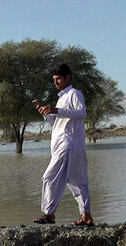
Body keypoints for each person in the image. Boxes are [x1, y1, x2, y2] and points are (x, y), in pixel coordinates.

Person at [32, 63, 94, 226]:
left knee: (50, 176)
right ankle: (86, 216)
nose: (56, 82)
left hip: (69, 143)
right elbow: (58, 122)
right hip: (63, 143)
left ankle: (49, 213)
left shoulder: (74, 93)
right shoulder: (61, 97)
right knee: (76, 181)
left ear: (68, 77)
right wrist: (46, 113)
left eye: (58, 78)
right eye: (54, 79)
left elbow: (82, 113)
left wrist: (56, 111)